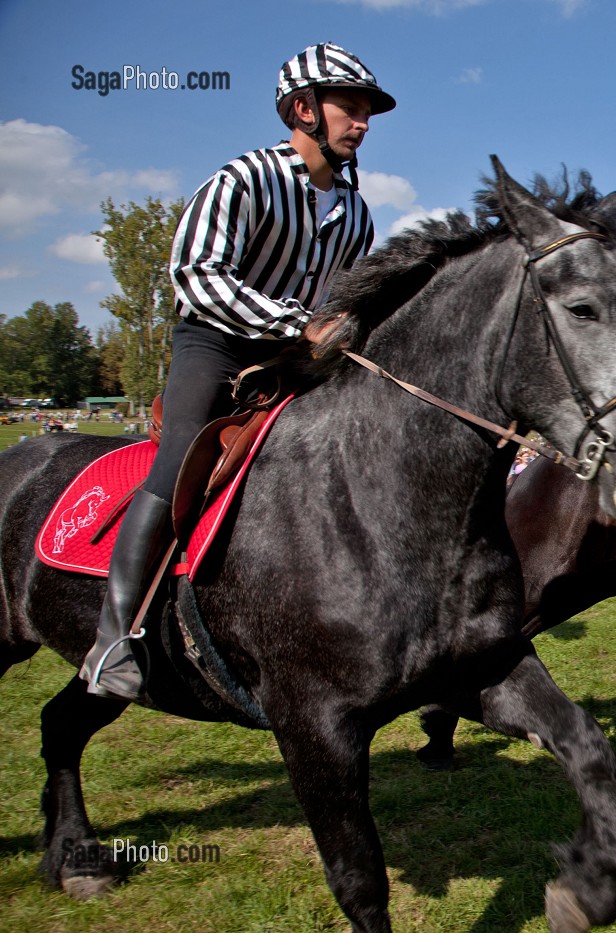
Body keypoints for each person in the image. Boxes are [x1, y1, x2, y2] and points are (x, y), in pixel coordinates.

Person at [80, 42, 395, 700]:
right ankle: (113, 637)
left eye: (368, 111)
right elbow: (196, 276)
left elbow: (341, 303)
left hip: (292, 358)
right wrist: (294, 322)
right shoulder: (242, 179)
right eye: (351, 108)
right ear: (303, 109)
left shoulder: (358, 214)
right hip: (215, 343)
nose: (362, 122)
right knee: (181, 459)